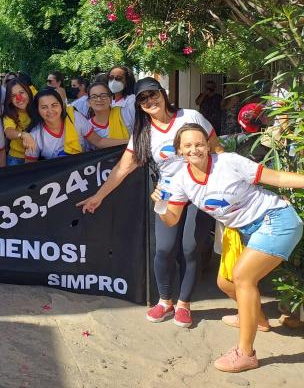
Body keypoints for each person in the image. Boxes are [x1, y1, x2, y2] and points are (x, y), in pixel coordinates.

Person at [158, 123, 304, 372]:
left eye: (199, 144)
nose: (195, 149)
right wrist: (161, 205)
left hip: (276, 219)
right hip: (245, 230)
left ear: (208, 145)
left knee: (243, 277)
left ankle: (246, 353)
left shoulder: (229, 162)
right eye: (188, 145)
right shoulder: (181, 179)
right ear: (179, 151)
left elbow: (276, 177)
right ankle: (255, 319)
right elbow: (171, 218)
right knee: (226, 283)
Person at [78, 77, 222, 328]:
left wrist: (226, 185)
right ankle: (165, 301)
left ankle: (184, 304)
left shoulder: (190, 117)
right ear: (139, 104)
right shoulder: (143, 133)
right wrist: (98, 196)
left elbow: (216, 148)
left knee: (190, 248)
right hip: (167, 196)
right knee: (164, 249)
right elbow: (123, 168)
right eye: (143, 98)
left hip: (199, 193)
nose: (150, 101)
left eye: (153, 94)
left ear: (163, 94)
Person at [24, 88, 125, 160]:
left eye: (54, 105)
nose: (50, 111)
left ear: (62, 106)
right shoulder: (35, 135)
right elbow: (31, 168)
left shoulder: (75, 118)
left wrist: (131, 142)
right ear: (37, 110)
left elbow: (98, 141)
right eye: (44, 107)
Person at [2, 80, 39, 166]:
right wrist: (23, 135)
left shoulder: (38, 106)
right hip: (17, 158)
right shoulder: (10, 114)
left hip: (38, 155)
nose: (19, 98)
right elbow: (9, 132)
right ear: (10, 99)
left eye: (22, 92)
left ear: (28, 92)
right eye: (13, 96)